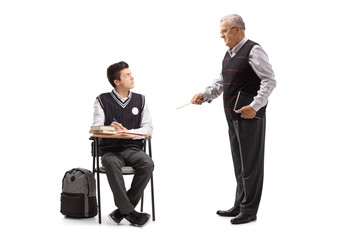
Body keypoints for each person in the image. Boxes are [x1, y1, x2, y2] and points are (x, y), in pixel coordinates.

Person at [191, 14, 276, 224]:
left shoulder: (253, 50)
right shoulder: (228, 55)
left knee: (251, 165)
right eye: (221, 32)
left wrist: (255, 106)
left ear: (238, 29)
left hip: (249, 117)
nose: (221, 36)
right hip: (232, 116)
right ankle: (240, 204)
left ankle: (249, 210)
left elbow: (269, 80)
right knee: (240, 164)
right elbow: (222, 81)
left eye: (224, 31)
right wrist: (205, 94)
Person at [92, 61, 154, 227]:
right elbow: (94, 127)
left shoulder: (141, 100)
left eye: (130, 73)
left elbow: (148, 128)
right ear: (116, 82)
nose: (132, 77)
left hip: (133, 149)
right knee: (111, 162)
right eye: (127, 75)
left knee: (147, 163)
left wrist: (130, 132)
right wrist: (108, 128)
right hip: (110, 151)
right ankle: (131, 213)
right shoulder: (102, 100)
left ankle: (122, 212)